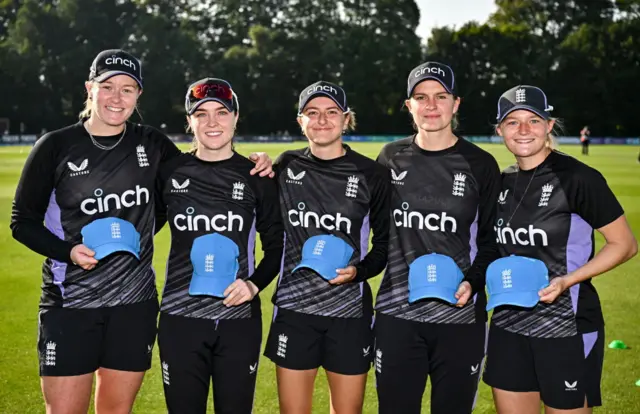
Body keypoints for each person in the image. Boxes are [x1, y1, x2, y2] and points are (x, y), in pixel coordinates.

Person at [9, 49, 272, 414]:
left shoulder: (151, 144)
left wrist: (256, 162)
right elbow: (21, 221)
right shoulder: (56, 146)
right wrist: (67, 251)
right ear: (90, 88)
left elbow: (199, 170)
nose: (117, 97)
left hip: (134, 305)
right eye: (108, 86)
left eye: (128, 89)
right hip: (70, 303)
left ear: (138, 95)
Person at [483, 85, 638, 414]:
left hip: (566, 323)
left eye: (533, 120)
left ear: (549, 126)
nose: (524, 130)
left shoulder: (579, 178)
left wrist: (568, 280)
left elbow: (624, 245)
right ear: (499, 130)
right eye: (512, 122)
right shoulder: (501, 182)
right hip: (508, 323)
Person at [373, 61, 502, 414]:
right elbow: (376, 233)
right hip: (397, 313)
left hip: (460, 316)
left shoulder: (481, 164)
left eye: (440, 96)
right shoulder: (390, 157)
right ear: (409, 105)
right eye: (421, 97)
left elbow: (491, 241)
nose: (431, 106)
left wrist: (474, 282)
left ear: (456, 103)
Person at [154, 77, 284, 414]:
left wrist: (254, 285)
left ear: (236, 117)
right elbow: (141, 225)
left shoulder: (258, 176)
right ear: (189, 121)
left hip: (238, 320)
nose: (212, 122)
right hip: (180, 319)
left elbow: (276, 245)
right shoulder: (169, 172)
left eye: (221, 112)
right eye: (201, 114)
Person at [263, 81, 391, 414]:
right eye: (312, 113)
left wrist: (359, 272)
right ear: (300, 121)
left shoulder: (371, 174)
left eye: (331, 112)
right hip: (294, 310)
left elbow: (384, 246)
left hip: (348, 313)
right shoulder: (285, 165)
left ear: (346, 119)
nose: (322, 120)